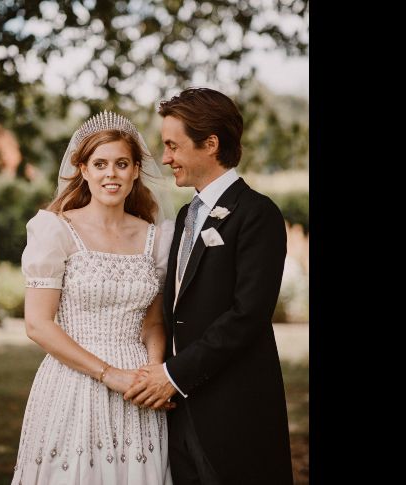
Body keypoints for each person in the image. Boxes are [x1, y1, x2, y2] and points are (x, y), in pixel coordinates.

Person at [124, 88, 294, 485]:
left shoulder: (257, 213)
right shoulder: (186, 215)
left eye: (172, 146)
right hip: (181, 412)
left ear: (211, 144)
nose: (165, 158)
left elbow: (247, 316)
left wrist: (174, 375)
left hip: (235, 410)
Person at [10, 111, 176, 485]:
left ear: (136, 169)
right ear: (83, 169)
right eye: (99, 164)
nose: (110, 174)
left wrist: (151, 372)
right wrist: (108, 374)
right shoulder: (55, 231)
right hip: (72, 383)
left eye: (121, 164)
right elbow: (38, 325)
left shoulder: (157, 238)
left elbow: (152, 323)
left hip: (138, 391)